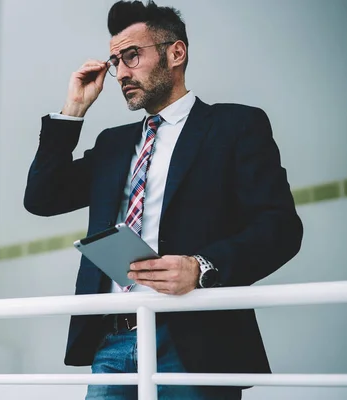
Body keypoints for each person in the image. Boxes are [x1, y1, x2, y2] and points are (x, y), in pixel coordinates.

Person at [23, 1, 303, 399]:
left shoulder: (235, 126)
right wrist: (73, 110)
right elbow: (41, 197)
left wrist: (202, 268)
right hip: (112, 341)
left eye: (132, 56)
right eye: (115, 60)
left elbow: (280, 227)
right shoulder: (113, 145)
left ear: (176, 53)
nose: (121, 72)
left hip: (195, 339)